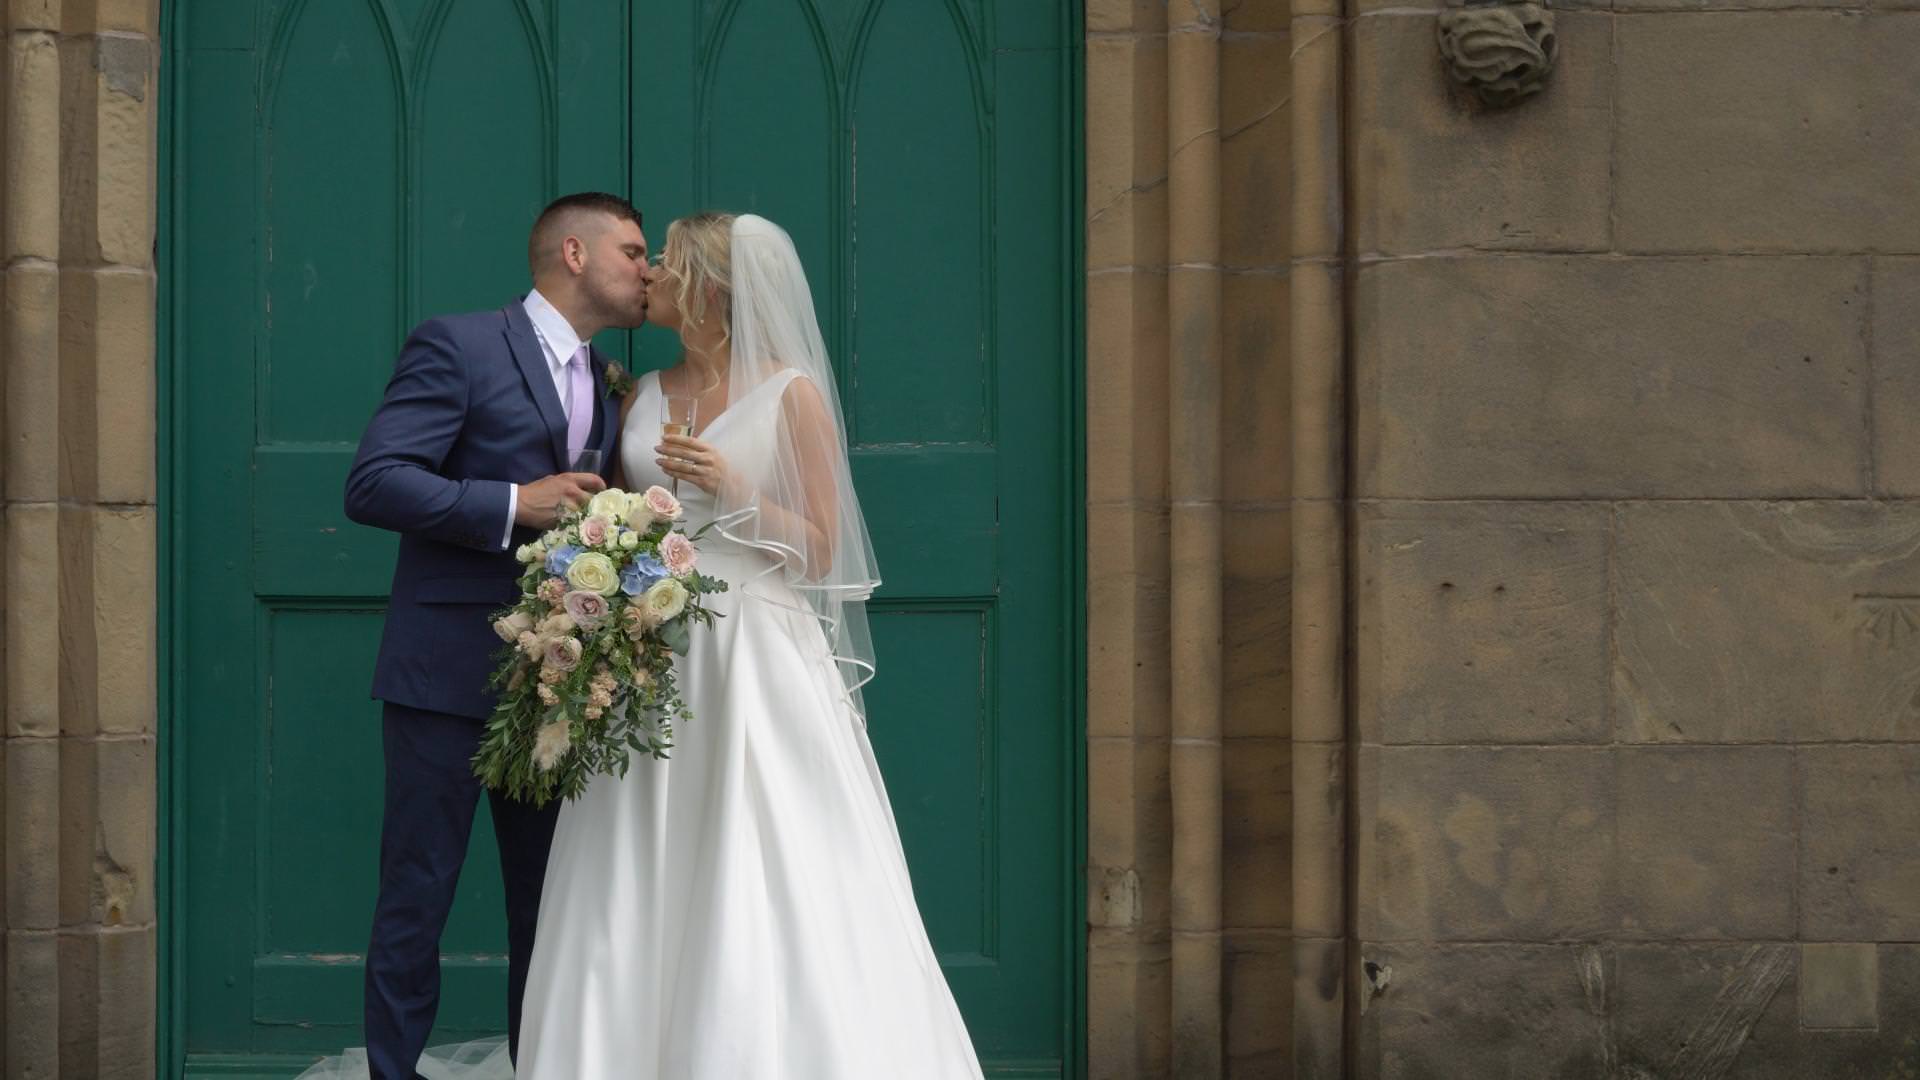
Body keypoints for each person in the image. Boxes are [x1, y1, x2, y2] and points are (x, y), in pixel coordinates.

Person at [507, 211, 983, 1077]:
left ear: (710, 289)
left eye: (667, 264)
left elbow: (825, 549)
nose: (646, 274)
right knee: (638, 853)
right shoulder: (640, 392)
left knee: (763, 849)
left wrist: (730, 486)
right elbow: (626, 516)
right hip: (653, 654)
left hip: (756, 653)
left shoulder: (787, 392)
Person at [334, 192, 648, 1080]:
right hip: (441, 675)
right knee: (416, 898)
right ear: (575, 254)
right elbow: (375, 482)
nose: (649, 269)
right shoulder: (461, 344)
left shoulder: (615, 381)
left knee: (548, 913)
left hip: (555, 683)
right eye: (633, 250)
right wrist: (514, 503)